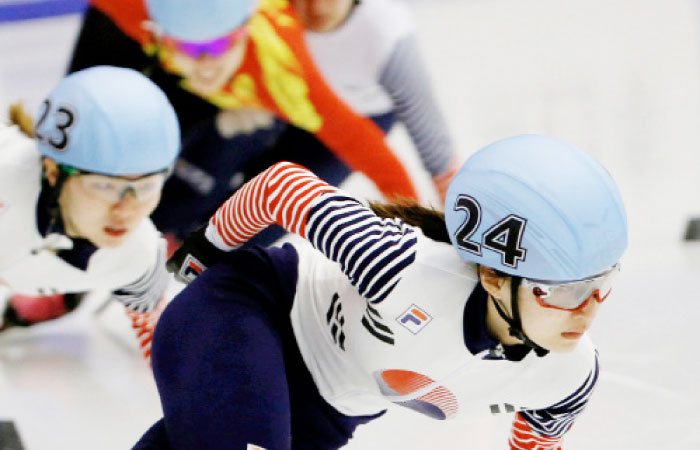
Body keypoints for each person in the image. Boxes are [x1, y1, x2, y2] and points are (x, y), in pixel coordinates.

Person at [133, 134, 628, 449]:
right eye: (562, 291)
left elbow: (535, 447)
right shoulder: (401, 267)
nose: (588, 311)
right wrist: (199, 257)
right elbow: (282, 186)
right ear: (494, 277)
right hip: (247, 312)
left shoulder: (570, 376)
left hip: (326, 410)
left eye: (601, 284)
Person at [67, 0, 457, 244]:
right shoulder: (137, 11)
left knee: (247, 221)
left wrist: (421, 234)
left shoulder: (284, 74)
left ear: (244, 33)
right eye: (189, 48)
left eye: (218, 45)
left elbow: (368, 149)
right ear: (155, 34)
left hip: (272, 93)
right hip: (214, 90)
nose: (206, 66)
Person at [0, 66, 180, 360]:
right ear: (53, 171)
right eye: (104, 186)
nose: (126, 209)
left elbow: (167, 357)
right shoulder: (6, 180)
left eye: (147, 186)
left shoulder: (140, 259)